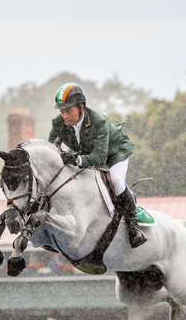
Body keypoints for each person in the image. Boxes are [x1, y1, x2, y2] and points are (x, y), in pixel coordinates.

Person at [48, 83, 146, 248]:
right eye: (62, 111)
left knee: (115, 179)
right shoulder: (58, 123)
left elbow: (100, 158)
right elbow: (50, 148)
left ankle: (133, 226)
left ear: (81, 107)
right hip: (85, 152)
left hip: (114, 153)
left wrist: (78, 160)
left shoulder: (98, 121)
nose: (65, 116)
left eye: (69, 110)